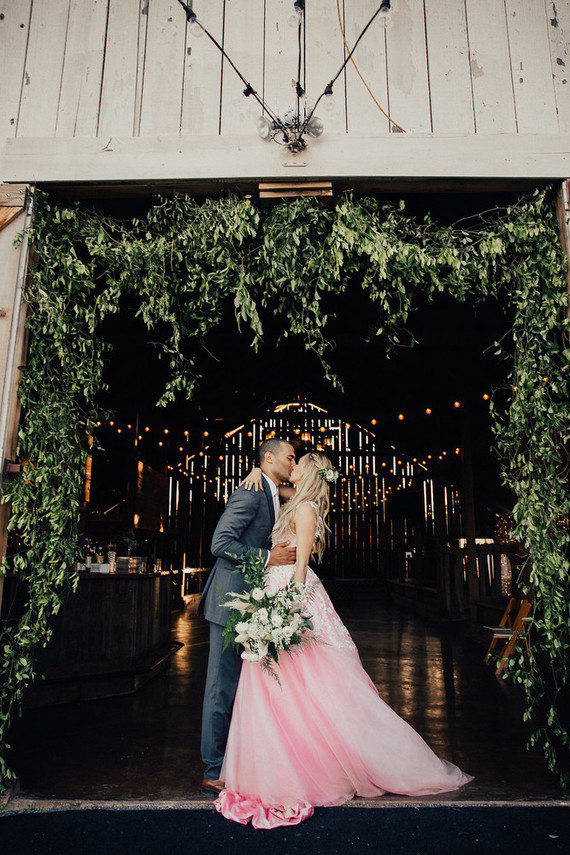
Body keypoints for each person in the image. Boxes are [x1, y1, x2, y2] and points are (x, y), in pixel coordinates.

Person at [214, 451, 473, 828]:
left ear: (311, 472)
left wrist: (286, 611)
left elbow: (301, 567)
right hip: (272, 593)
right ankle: (285, 765)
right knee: (282, 690)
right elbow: (272, 486)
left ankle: (325, 766)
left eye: (299, 461)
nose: (293, 466)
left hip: (291, 597)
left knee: (313, 687)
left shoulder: (305, 511)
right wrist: (257, 467)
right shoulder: (295, 502)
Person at [198, 438, 297, 796]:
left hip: (250, 603)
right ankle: (212, 767)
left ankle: (235, 759)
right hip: (229, 603)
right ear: (268, 458)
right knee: (221, 686)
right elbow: (220, 543)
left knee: (245, 685)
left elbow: (310, 479)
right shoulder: (252, 493)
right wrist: (268, 558)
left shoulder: (269, 489)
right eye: (289, 457)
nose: (293, 462)